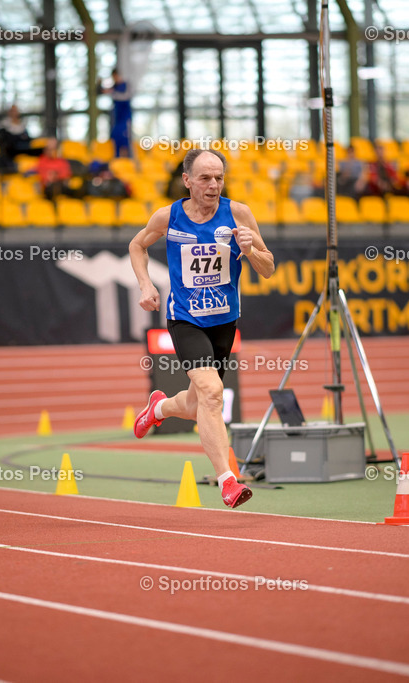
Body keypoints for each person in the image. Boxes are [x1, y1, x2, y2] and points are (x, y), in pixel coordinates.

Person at [129, 148, 275, 508]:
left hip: (225, 320)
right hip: (186, 319)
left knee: (198, 402)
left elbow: (268, 267)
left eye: (219, 178)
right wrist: (146, 285)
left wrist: (250, 252)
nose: (213, 185)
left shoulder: (238, 213)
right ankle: (228, 480)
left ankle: (158, 410)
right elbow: (136, 245)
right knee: (212, 392)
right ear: (187, 180)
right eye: (206, 178)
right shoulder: (169, 217)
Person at [99, 69, 133, 158]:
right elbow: (103, 92)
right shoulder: (114, 87)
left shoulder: (125, 85)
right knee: (115, 138)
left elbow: (126, 96)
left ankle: (128, 160)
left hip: (125, 119)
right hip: (117, 119)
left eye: (116, 77)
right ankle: (117, 161)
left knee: (126, 140)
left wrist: (112, 92)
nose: (115, 79)